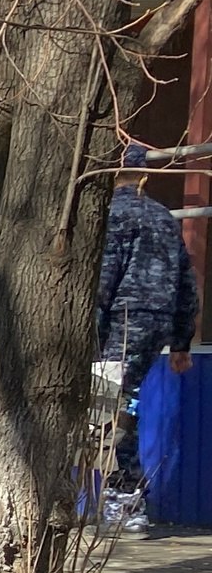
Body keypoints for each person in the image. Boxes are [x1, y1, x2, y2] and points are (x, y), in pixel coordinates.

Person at [97, 157, 198, 530]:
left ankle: (125, 500)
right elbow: (187, 284)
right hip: (157, 323)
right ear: (144, 176)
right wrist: (181, 342)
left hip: (121, 323)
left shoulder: (112, 215)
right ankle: (123, 498)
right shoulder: (164, 218)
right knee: (122, 403)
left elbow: (104, 279)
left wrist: (92, 334)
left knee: (109, 408)